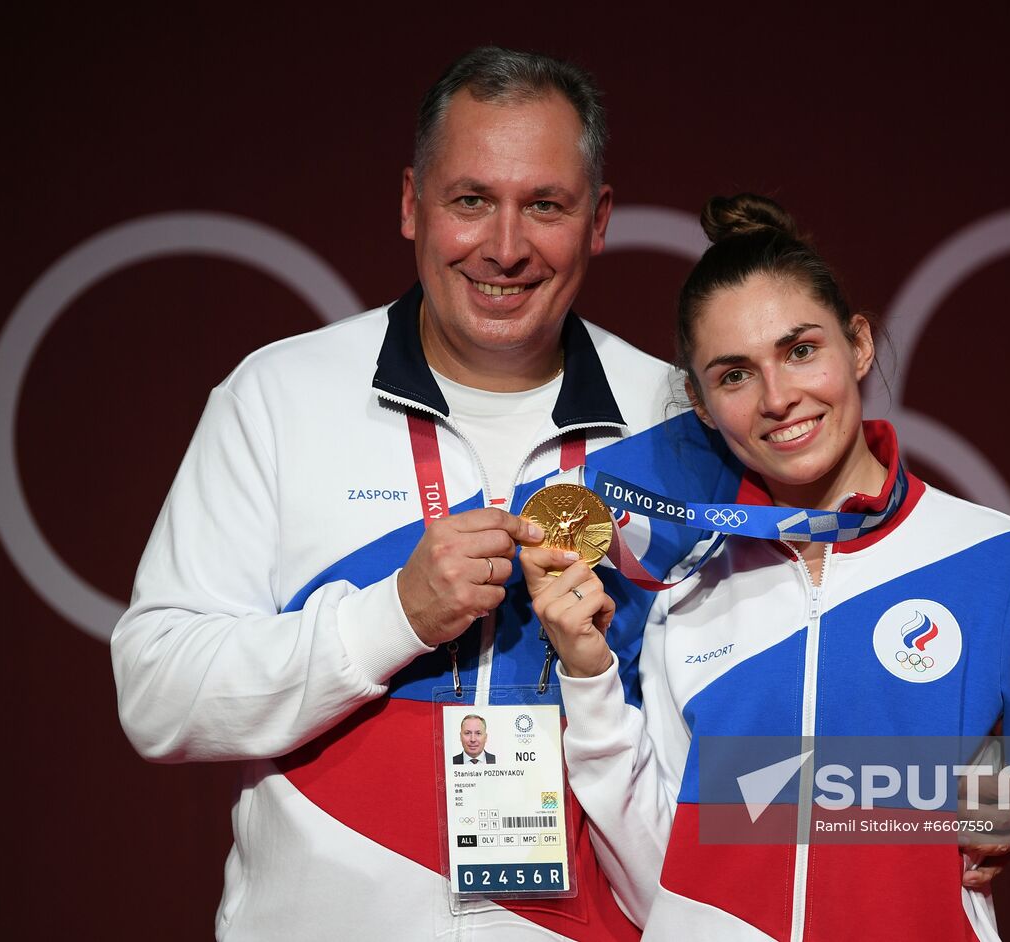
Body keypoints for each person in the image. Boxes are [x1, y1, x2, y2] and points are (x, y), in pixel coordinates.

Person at [111, 46, 738, 941]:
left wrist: (953, 814)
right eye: (470, 200)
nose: (506, 246)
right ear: (412, 204)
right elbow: (157, 694)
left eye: (546, 206)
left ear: (599, 219)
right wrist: (394, 616)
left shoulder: (674, 422)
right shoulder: (280, 395)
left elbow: (782, 677)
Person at [522, 194, 1010, 940]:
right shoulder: (675, 580)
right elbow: (647, 853)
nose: (779, 398)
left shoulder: (1003, 562)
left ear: (857, 345)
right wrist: (590, 681)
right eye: (734, 375)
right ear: (700, 401)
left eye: (800, 350)